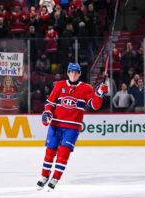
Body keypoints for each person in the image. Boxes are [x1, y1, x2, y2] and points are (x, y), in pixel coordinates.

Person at [36, 63, 108, 191]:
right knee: (49, 152)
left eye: (76, 72)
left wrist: (100, 94)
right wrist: (47, 112)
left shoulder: (86, 88)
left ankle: (55, 178)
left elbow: (94, 105)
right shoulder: (59, 85)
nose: (73, 74)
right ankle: (44, 176)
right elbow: (50, 102)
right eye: (71, 72)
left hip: (72, 127)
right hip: (56, 125)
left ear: (79, 74)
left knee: (63, 154)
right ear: (68, 73)